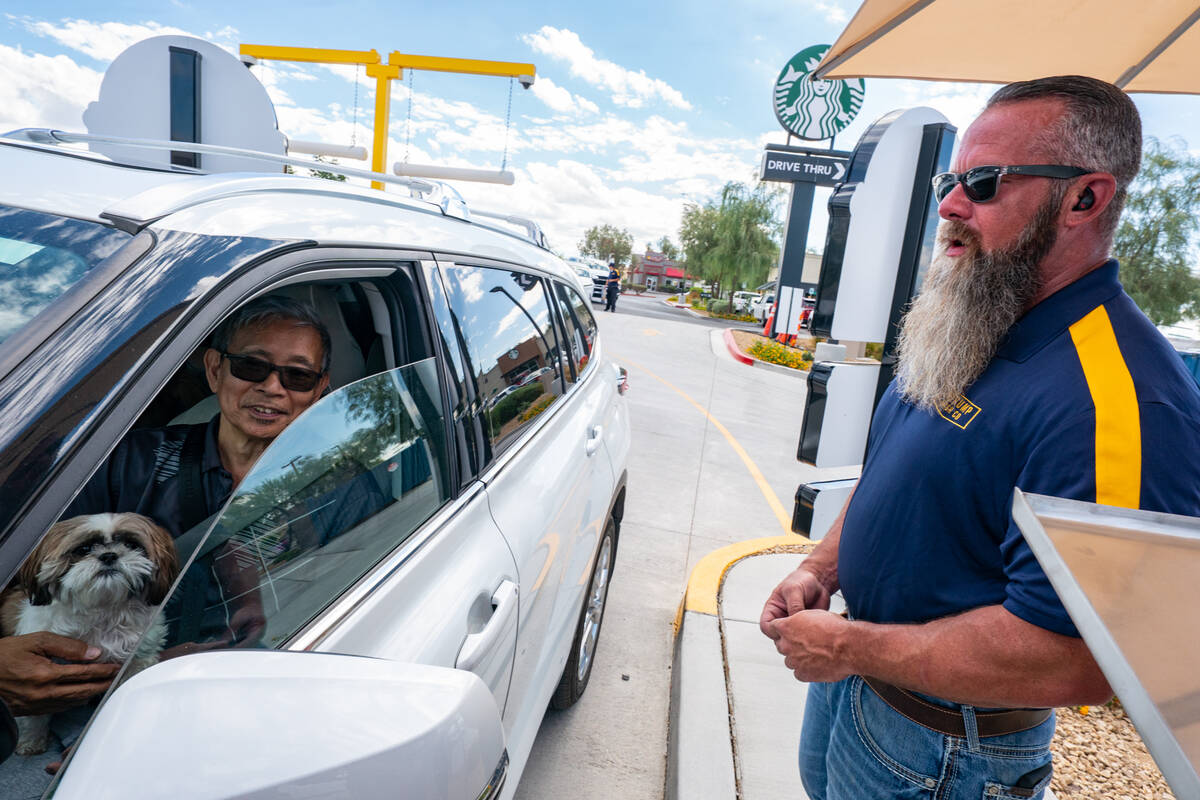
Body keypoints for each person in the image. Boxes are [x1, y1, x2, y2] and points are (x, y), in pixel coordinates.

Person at [759, 75, 1200, 800]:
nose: (949, 205)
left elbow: (1080, 657)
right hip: (861, 688)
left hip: (944, 751)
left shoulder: (1118, 401)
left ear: (1085, 199)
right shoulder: (974, 316)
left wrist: (848, 645)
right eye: (951, 178)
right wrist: (821, 571)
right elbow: (896, 478)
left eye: (985, 182)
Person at [0, 296, 332, 725]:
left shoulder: (336, 478)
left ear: (319, 389)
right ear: (214, 369)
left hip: (255, 686)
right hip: (90, 691)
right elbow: (23, 567)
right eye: (252, 366)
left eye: (298, 376)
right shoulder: (128, 462)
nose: (272, 387)